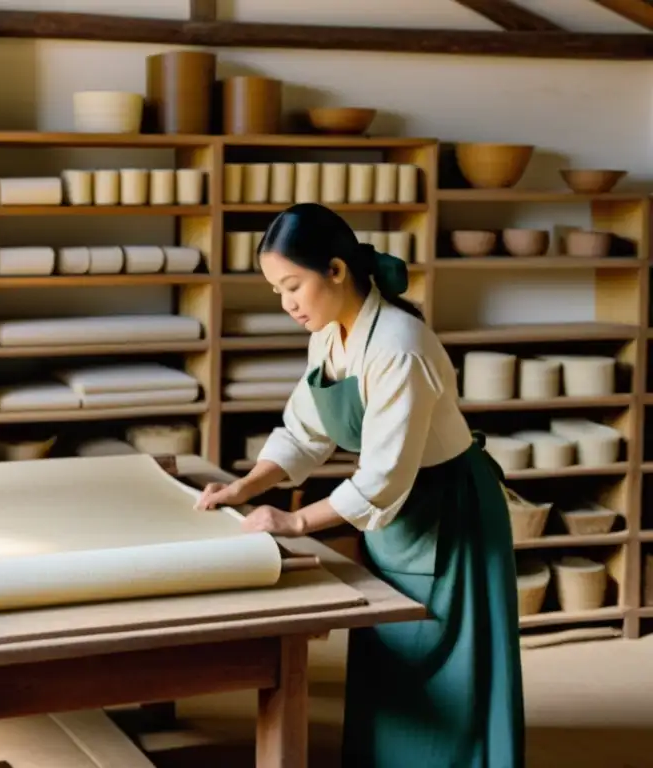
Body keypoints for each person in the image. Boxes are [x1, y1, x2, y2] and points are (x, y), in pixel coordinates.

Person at [196, 203, 524, 767]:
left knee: (451, 672)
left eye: (293, 286)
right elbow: (303, 431)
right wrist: (247, 487)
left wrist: (295, 521)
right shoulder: (329, 336)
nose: (287, 304)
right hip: (398, 520)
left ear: (337, 270)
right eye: (278, 290)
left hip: (448, 514)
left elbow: (380, 479)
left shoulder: (399, 343)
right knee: (393, 660)